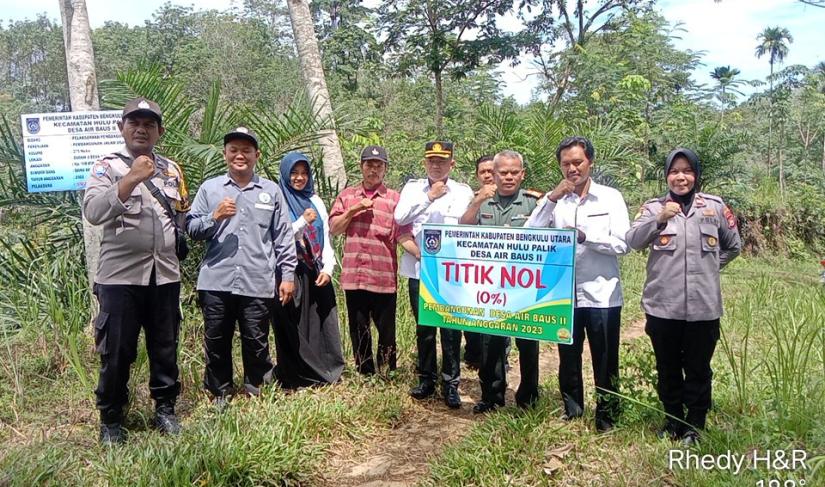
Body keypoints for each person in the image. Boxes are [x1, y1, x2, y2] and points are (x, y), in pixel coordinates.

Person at [83, 97, 189, 444]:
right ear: (121, 128)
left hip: (165, 275)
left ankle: (165, 409)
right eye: (134, 123)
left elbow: (181, 214)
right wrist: (130, 179)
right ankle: (112, 418)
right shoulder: (106, 168)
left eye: (149, 124)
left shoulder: (172, 170)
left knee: (165, 347)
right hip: (119, 278)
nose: (141, 129)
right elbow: (94, 212)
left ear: (159, 131)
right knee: (116, 351)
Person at [626, 147, 741, 445]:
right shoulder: (653, 207)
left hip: (703, 307)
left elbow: (733, 245)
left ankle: (695, 424)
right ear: (666, 176)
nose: (681, 177)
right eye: (674, 171)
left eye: (687, 171)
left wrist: (708, 268)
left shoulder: (714, 207)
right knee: (667, 367)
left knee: (699, 368)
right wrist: (660, 220)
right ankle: (673, 420)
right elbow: (633, 240)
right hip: (663, 306)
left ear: (696, 175)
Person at [525, 136, 630, 432]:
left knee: (605, 357)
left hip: (602, 293)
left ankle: (607, 415)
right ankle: (572, 410)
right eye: (566, 164)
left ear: (590, 162)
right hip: (563, 293)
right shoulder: (555, 201)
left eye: (577, 162)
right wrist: (552, 197)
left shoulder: (610, 198)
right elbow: (530, 231)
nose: (572, 169)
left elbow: (623, 244)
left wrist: (586, 238)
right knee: (567, 355)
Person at [186, 127, 297, 405]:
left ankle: (258, 389)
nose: (240, 155)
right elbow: (191, 228)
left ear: (256, 155)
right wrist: (215, 216)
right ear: (225, 154)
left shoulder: (270, 191)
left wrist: (288, 275)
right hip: (216, 280)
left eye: (246, 150)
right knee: (216, 340)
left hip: (257, 279)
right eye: (233, 150)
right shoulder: (210, 189)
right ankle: (219, 392)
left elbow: (283, 236)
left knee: (256, 339)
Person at [394, 141, 474, 408]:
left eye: (442, 161)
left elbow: (469, 226)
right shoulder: (413, 189)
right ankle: (426, 379)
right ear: (425, 163)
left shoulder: (463, 192)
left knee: (451, 329)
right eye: (431, 161)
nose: (436, 165)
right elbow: (400, 217)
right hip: (419, 270)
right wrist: (429, 197)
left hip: (452, 274)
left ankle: (451, 384)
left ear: (452, 163)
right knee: (424, 328)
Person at [459, 150, 541, 413]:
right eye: (502, 172)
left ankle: (528, 399)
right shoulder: (483, 201)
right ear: (492, 175)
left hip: (525, 287)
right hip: (491, 287)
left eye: (514, 172)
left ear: (522, 174)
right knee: (490, 344)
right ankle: (491, 397)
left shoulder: (533, 203)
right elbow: (462, 229)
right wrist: (476, 203)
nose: (508, 177)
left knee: (528, 343)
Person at [329, 145, 416, 375]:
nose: (373, 170)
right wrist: (353, 210)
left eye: (379, 165)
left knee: (386, 329)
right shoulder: (346, 196)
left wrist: (421, 254)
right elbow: (334, 228)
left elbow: (403, 235)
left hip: (383, 277)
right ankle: (364, 372)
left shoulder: (395, 200)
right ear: (361, 167)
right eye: (369, 165)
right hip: (354, 276)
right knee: (358, 329)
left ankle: (387, 371)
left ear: (385, 169)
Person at [271, 151, 345, 388]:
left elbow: (326, 235)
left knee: (320, 321)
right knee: (292, 325)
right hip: (288, 270)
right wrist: (303, 221)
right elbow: (277, 238)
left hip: (314, 268)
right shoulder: (277, 199)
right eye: (294, 173)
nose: (299, 178)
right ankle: (295, 375)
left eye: (304, 173)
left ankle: (324, 372)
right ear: (285, 174)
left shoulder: (315, 200)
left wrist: (328, 268)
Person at [462, 155, 496, 369]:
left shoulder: (515, 197)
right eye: (482, 171)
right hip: (475, 269)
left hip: (504, 271)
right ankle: (473, 354)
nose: (487, 175)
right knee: (471, 313)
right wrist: (478, 201)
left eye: (491, 170)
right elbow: (463, 225)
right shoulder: (472, 199)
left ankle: (497, 356)